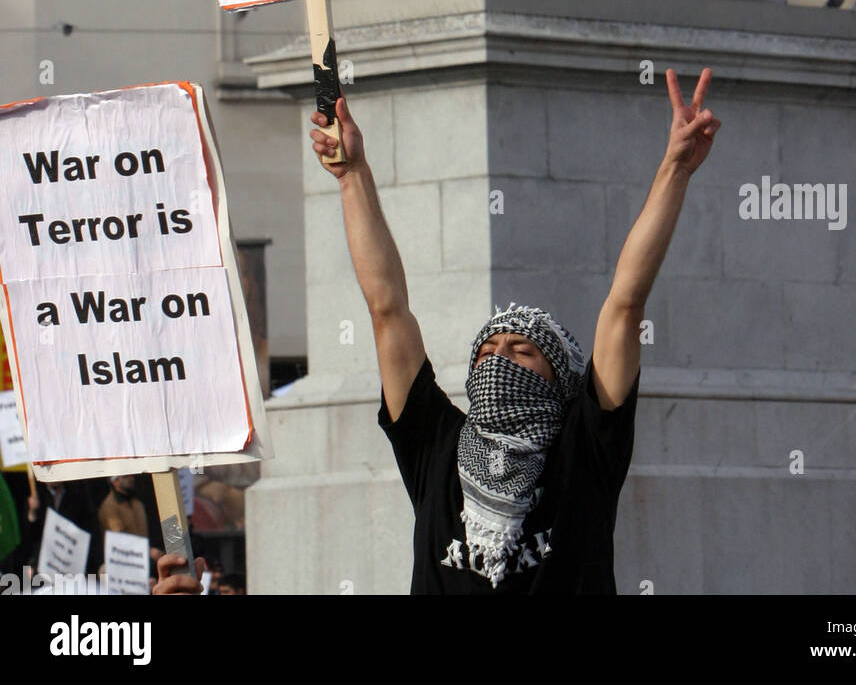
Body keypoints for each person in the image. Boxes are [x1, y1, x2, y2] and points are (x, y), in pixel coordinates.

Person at [154, 65, 719, 595]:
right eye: (487, 351)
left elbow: (624, 303)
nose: (499, 358)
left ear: (561, 382)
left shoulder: (586, 448)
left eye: (522, 350)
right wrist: (352, 175)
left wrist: (674, 168)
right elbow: (387, 309)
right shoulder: (436, 446)